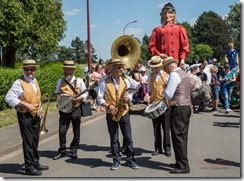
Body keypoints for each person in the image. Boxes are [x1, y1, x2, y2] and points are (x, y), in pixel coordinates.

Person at [5, 59, 49, 176]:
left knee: (35, 139)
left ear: (35, 70)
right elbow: (9, 98)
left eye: (32, 69)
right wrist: (24, 104)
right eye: (27, 69)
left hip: (35, 114)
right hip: (25, 115)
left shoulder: (35, 81)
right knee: (28, 140)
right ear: (24, 70)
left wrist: (39, 110)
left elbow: (37, 98)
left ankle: (35, 162)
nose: (30, 71)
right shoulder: (18, 82)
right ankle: (29, 167)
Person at [97, 58, 140, 170]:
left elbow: (138, 87)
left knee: (128, 137)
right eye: (118, 67)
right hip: (111, 112)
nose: (121, 69)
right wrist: (108, 106)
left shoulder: (126, 80)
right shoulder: (103, 81)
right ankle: (116, 160)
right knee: (114, 138)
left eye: (121, 67)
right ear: (111, 69)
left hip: (124, 111)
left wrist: (129, 97)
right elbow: (99, 98)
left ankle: (131, 159)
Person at [162, 57, 192, 174]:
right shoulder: (185, 74)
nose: (166, 71)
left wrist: (163, 91)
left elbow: (168, 94)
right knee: (183, 136)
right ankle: (180, 161)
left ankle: (183, 165)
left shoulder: (174, 75)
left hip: (178, 107)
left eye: (165, 68)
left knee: (177, 136)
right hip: (187, 106)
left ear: (169, 66)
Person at [53, 60, 88, 160]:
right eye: (66, 69)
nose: (68, 71)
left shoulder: (79, 81)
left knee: (76, 130)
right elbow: (57, 92)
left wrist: (78, 98)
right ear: (64, 70)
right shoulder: (60, 81)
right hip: (64, 109)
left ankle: (74, 149)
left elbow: (85, 94)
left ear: (73, 70)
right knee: (62, 131)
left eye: (70, 70)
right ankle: (62, 150)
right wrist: (58, 99)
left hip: (76, 108)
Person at [145, 55, 171, 157]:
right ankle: (157, 148)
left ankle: (167, 148)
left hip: (165, 104)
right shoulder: (150, 76)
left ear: (160, 66)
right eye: (154, 66)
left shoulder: (167, 76)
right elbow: (149, 90)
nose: (155, 68)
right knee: (156, 128)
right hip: (154, 104)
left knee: (166, 128)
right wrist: (147, 95)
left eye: (157, 66)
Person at [148, 2, 189, 68]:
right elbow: (151, 46)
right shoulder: (156, 30)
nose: (167, 15)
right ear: (162, 15)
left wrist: (182, 59)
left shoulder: (180, 29)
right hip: (161, 62)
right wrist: (159, 54)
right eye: (165, 13)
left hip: (175, 62)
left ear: (174, 15)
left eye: (170, 13)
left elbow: (184, 45)